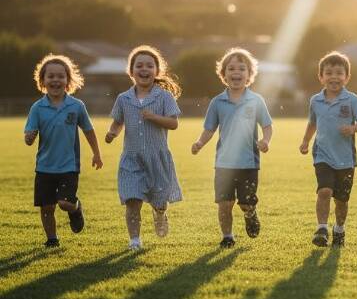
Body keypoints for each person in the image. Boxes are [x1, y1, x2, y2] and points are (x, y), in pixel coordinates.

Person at [192, 48, 273, 248]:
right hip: (224, 163)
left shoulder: (256, 101)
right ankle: (227, 236)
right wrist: (200, 143)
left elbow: (267, 126)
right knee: (224, 203)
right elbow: (209, 128)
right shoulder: (217, 102)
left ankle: (250, 213)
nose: (236, 72)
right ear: (224, 74)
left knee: (245, 202)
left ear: (249, 75)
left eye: (241, 69)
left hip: (248, 163)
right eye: (231, 68)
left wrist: (265, 141)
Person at [105, 45, 183, 250]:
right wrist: (112, 132)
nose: (144, 69)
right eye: (139, 65)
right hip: (132, 159)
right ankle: (135, 240)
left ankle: (159, 213)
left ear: (157, 71)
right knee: (132, 200)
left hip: (157, 159)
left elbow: (174, 124)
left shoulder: (164, 97)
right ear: (131, 71)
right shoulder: (123, 98)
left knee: (159, 201)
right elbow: (118, 121)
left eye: (149, 65)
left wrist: (154, 117)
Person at [24, 54, 102, 247]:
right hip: (44, 166)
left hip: (69, 165)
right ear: (42, 80)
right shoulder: (37, 108)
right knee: (47, 207)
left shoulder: (76, 106)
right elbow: (28, 137)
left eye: (60, 76)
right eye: (51, 76)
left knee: (65, 203)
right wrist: (29, 137)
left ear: (68, 80)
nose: (56, 80)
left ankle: (76, 209)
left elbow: (88, 130)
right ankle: (52, 240)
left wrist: (97, 153)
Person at [300, 51, 357, 247]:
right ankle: (321, 228)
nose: (334, 77)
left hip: (346, 159)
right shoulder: (315, 101)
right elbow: (312, 123)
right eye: (329, 73)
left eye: (339, 73)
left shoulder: (352, 100)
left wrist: (353, 128)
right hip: (322, 155)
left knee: (341, 200)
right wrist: (306, 141)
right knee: (324, 191)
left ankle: (339, 229)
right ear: (321, 77)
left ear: (347, 77)